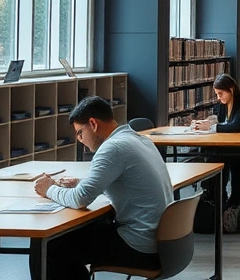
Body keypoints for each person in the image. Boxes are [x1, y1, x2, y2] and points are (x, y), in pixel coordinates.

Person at [30, 96, 171, 279]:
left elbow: (80, 199)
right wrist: (81, 182)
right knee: (77, 234)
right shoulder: (138, 139)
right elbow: (121, 180)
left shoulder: (112, 148)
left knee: (48, 246)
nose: (80, 140)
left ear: (93, 124)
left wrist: (48, 188)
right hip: (161, 242)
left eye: (80, 133)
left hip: (139, 245)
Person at [192, 74, 240, 208]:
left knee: (224, 156)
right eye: (217, 94)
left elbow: (235, 126)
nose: (219, 98)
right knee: (211, 152)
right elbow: (222, 121)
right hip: (234, 144)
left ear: (231, 89)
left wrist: (211, 127)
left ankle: (223, 195)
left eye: (220, 94)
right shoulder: (224, 103)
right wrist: (207, 122)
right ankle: (216, 193)